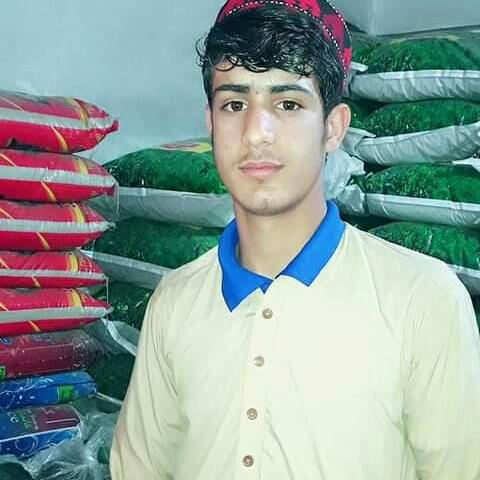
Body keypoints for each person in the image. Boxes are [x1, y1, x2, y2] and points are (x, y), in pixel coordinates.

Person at [110, 1, 480, 479]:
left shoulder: (422, 299)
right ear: (211, 124)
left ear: (333, 127)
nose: (256, 134)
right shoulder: (175, 301)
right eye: (234, 104)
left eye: (288, 104)